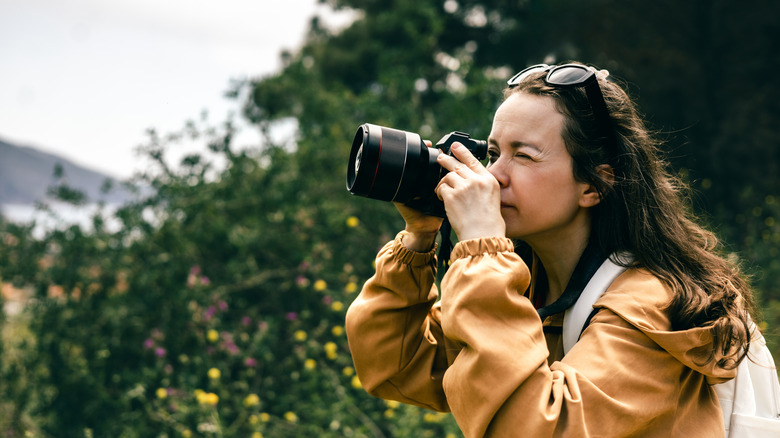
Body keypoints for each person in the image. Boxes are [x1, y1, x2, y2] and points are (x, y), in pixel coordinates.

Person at [345, 62, 756, 437]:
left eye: (523, 156)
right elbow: (395, 366)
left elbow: (535, 426)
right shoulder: (528, 289)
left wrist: (483, 249)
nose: (493, 176)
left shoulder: (653, 306)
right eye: (493, 153)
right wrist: (419, 238)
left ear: (594, 185)